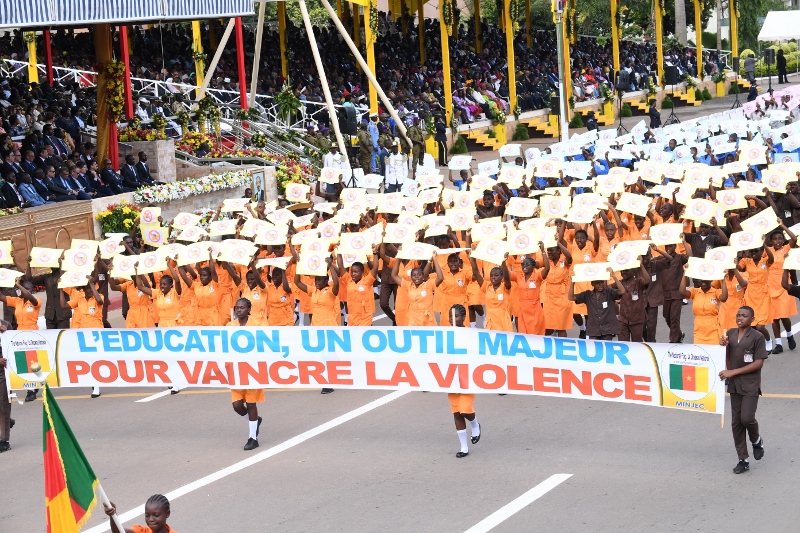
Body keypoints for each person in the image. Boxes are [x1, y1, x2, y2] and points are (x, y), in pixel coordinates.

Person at [719, 306, 767, 474]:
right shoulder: (731, 333)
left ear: (752, 319)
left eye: (744, 316)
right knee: (736, 423)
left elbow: (758, 363)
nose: (740, 318)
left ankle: (756, 440)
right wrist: (724, 346)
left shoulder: (757, 337)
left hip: (750, 384)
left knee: (747, 418)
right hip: (735, 385)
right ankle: (743, 459)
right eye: (738, 315)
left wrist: (733, 372)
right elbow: (727, 356)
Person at [227, 298, 265, 451]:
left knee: (251, 403)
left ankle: (252, 438)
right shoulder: (230, 326)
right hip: (236, 370)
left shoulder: (256, 325)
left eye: (242, 308)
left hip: (252, 369)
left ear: (249, 309)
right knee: (237, 405)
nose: (239, 310)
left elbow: (263, 343)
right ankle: (254, 420)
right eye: (237, 308)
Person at [446, 304, 480, 458]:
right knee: (457, 412)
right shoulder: (444, 334)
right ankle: (464, 447)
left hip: (467, 376)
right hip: (451, 377)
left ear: (464, 318)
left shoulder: (470, 335)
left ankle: (475, 424)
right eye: (451, 317)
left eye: (457, 316)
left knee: (465, 409)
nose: (453, 320)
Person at [569, 267, 626, 340]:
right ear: (592, 284)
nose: (600, 285)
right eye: (597, 283)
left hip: (607, 330)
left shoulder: (609, 292)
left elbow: (622, 291)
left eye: (601, 282)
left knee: (606, 349)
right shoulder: (587, 295)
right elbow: (571, 297)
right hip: (593, 330)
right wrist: (572, 282)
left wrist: (614, 276)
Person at [679, 268, 728, 345]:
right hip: (699, 329)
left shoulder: (716, 292)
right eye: (701, 279)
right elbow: (682, 291)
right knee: (700, 353)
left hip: (713, 329)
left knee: (713, 353)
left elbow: (724, 298)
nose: (703, 281)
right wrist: (685, 273)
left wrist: (723, 279)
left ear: (711, 280)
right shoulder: (694, 291)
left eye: (706, 279)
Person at [104, 494, 177, 533]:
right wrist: (113, 515)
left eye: (156, 515)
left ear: (167, 513)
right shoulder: (142, 531)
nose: (150, 519)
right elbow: (119, 531)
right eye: (147, 515)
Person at [0, 320, 12, 452]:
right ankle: (8, 420)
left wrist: (5, 330)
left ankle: (4, 440)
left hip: (3, 371)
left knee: (3, 403)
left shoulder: (5, 325)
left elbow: (15, 344)